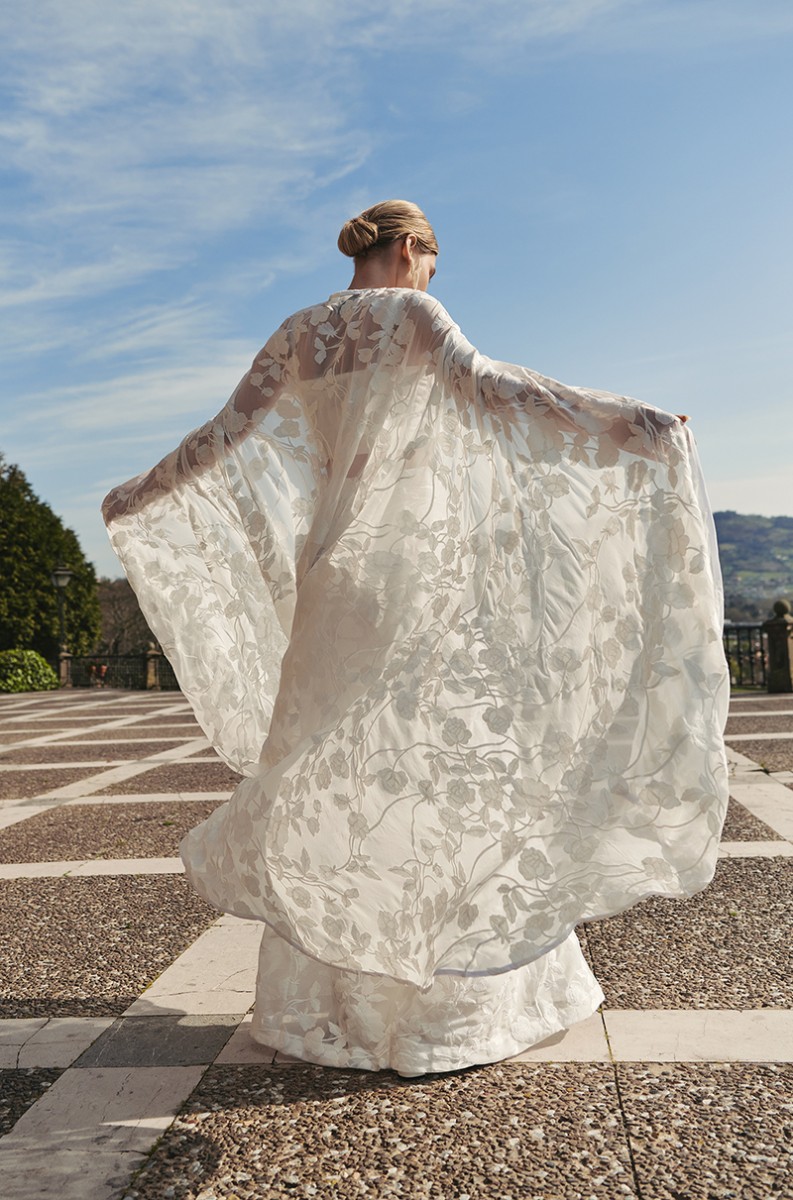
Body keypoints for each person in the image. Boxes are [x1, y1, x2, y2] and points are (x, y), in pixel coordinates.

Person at [102, 200, 728, 1075]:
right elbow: (499, 392)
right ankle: (447, 998)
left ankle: (337, 1003)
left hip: (332, 586)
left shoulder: (298, 334)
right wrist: (629, 423)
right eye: (432, 262)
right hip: (414, 576)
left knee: (336, 778)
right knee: (443, 765)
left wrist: (135, 496)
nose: (431, 276)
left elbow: (222, 439)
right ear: (409, 249)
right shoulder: (411, 313)